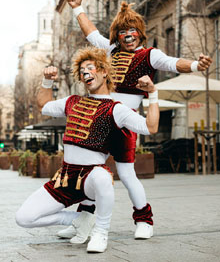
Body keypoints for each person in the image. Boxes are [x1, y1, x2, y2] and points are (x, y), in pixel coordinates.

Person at [59, 0, 213, 241]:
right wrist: (77, 8)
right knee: (89, 172)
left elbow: (173, 63)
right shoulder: (109, 50)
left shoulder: (150, 55)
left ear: (140, 33)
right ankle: (83, 220)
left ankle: (144, 220)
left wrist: (196, 66)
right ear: (117, 35)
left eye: (132, 32)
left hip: (125, 123)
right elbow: (91, 32)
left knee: (128, 174)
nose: (128, 36)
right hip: (100, 122)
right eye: (122, 32)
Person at [16, 47, 159, 253]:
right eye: (82, 70)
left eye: (90, 68)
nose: (86, 73)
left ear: (104, 72)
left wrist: (152, 94)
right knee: (23, 218)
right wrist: (47, 81)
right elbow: (43, 104)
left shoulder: (116, 108)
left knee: (102, 177)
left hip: (90, 178)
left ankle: (101, 231)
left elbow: (150, 127)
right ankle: (79, 219)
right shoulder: (71, 101)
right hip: (65, 178)